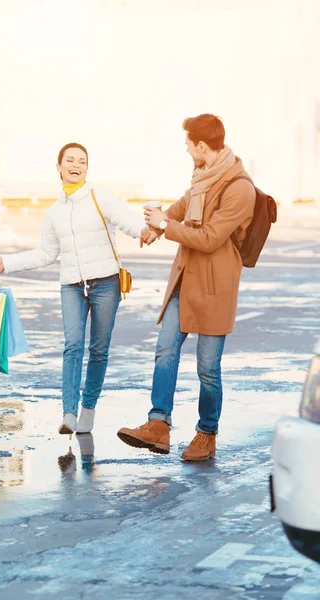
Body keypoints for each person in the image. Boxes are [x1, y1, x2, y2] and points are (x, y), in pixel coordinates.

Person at [117, 114, 256, 461]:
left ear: (202, 146)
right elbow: (180, 207)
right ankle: (158, 424)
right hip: (185, 279)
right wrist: (155, 227)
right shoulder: (202, 177)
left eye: (188, 145)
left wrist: (167, 224)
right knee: (166, 349)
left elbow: (210, 239)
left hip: (215, 287)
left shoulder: (239, 187)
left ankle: (206, 433)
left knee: (208, 367)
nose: (186, 150)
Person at [0, 142, 151, 435]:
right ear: (59, 167)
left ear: (87, 167)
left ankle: (88, 409)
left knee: (98, 349)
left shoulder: (101, 196)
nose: (77, 165)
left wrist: (143, 230)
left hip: (106, 283)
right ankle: (69, 413)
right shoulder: (54, 213)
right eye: (71, 160)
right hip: (72, 287)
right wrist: (6, 262)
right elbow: (45, 254)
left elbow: (124, 220)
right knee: (72, 346)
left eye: (82, 161)